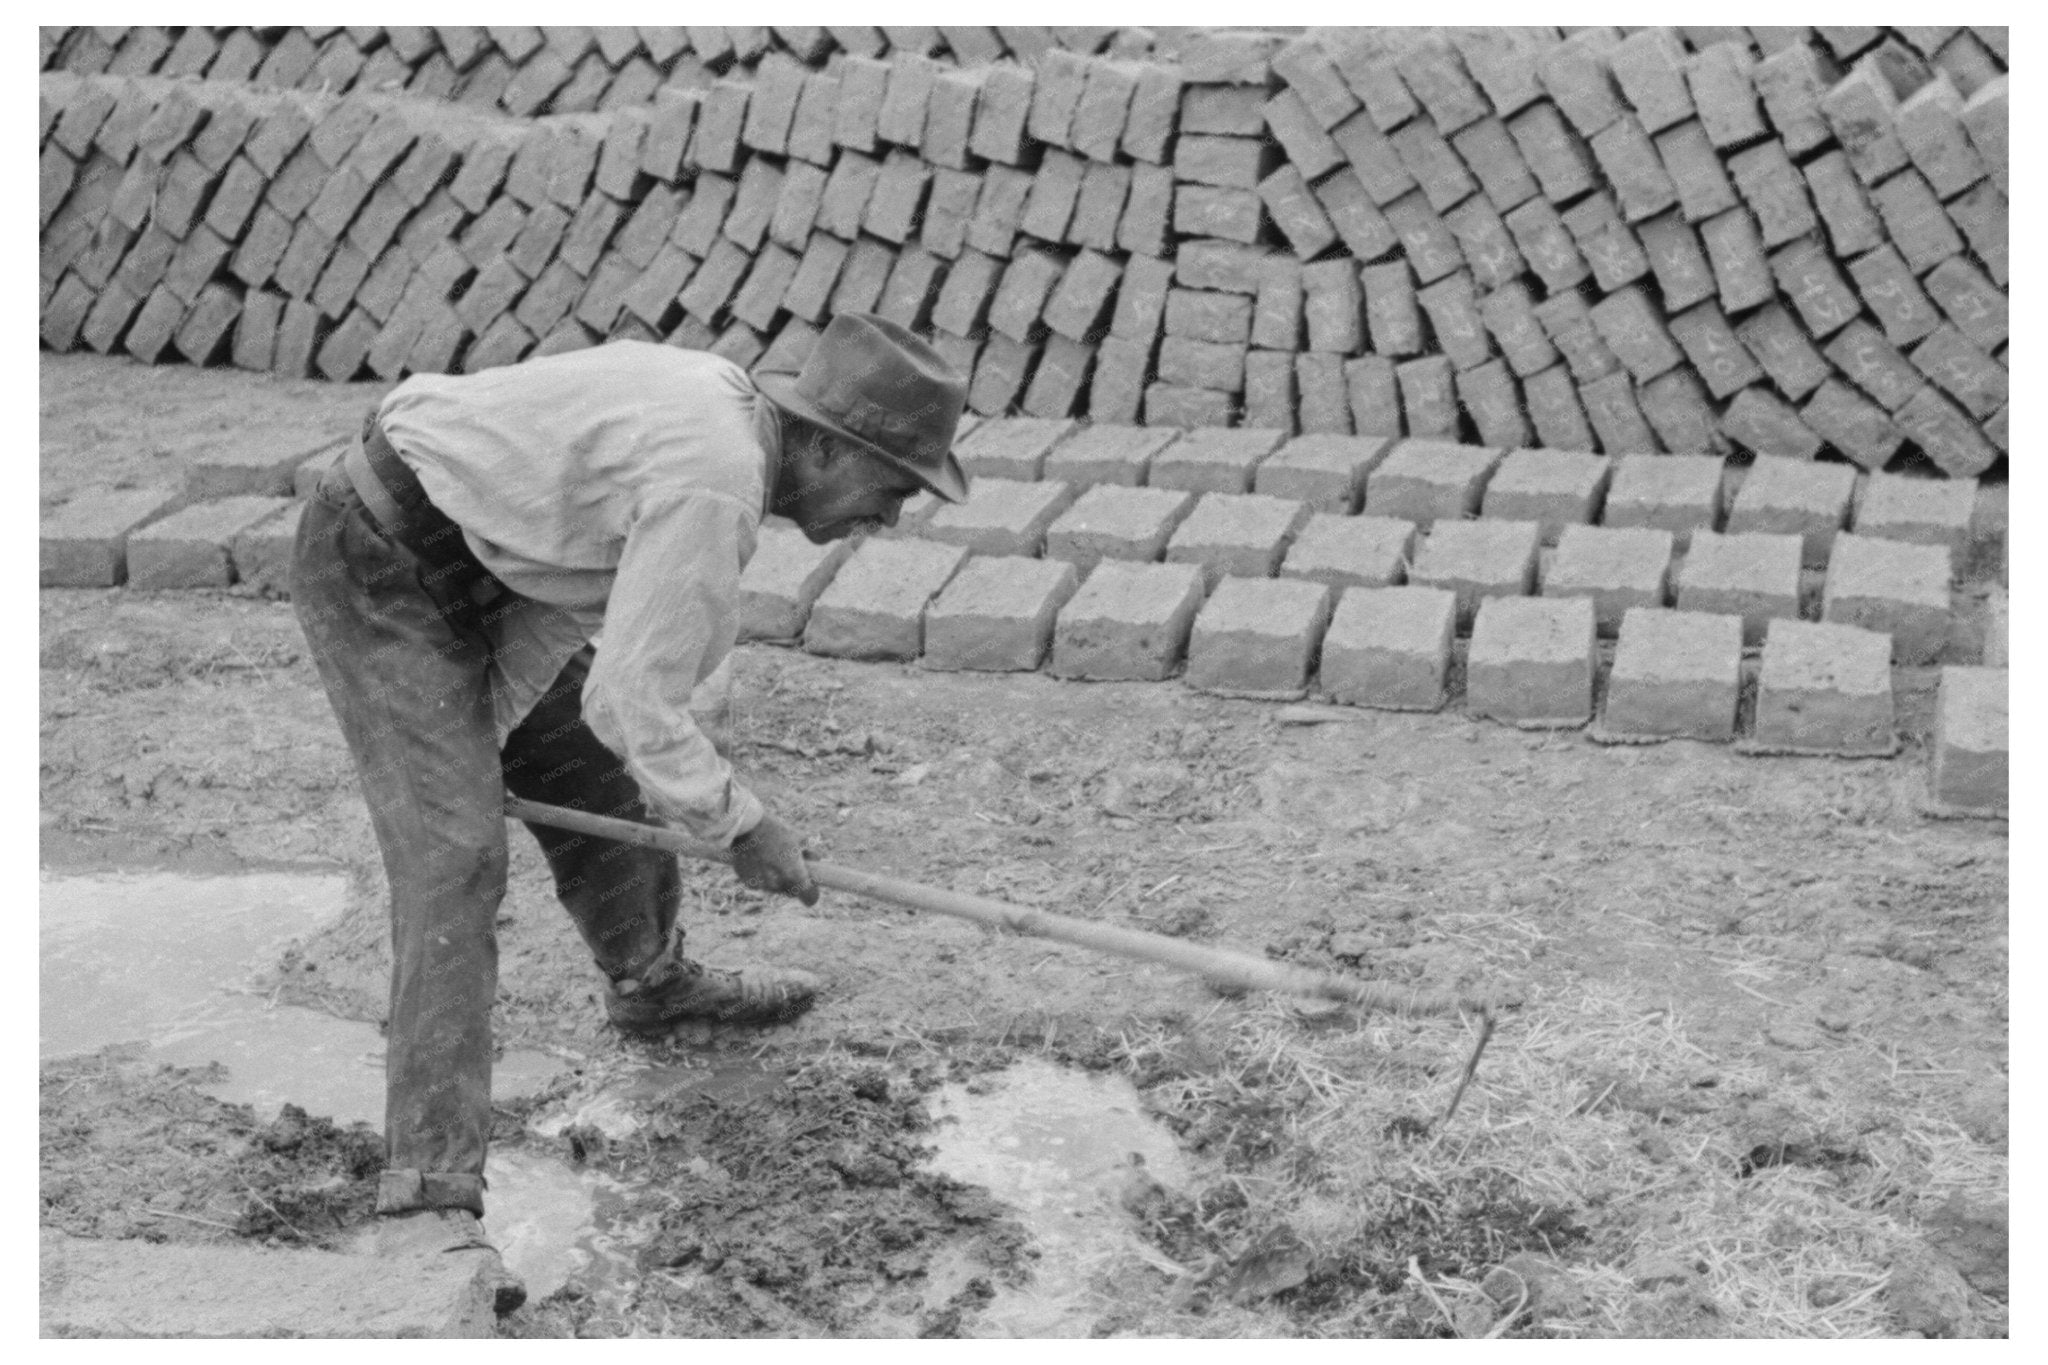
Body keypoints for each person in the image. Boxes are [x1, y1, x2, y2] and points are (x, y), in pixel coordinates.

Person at [289, 314, 970, 1309]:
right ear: (823, 445)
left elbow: (623, 683)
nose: (893, 517)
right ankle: (426, 1203)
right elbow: (636, 701)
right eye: (894, 485)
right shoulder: (713, 479)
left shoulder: (720, 420)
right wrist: (743, 826)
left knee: (585, 764)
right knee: (455, 861)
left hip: (481, 561)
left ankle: (651, 981)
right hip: (382, 560)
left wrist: (569, 742)